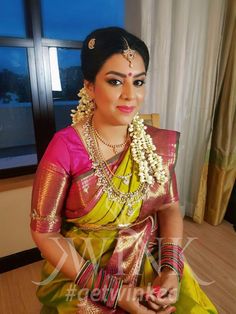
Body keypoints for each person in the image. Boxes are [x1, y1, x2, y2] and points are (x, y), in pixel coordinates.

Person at [30, 27, 218, 314]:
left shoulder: (154, 143)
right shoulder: (65, 147)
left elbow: (168, 207)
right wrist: (111, 291)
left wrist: (170, 269)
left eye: (139, 82)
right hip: (86, 268)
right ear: (90, 86)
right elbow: (45, 234)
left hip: (149, 259)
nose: (131, 96)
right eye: (115, 81)